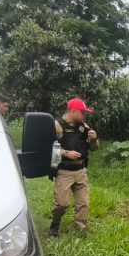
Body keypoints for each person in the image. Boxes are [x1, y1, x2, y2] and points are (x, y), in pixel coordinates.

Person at [49, 97, 99, 236]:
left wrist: (94, 139)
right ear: (73, 111)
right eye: (83, 112)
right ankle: (54, 225)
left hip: (81, 170)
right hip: (64, 171)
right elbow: (48, 148)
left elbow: (94, 148)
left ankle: (81, 229)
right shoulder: (56, 126)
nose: (85, 115)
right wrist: (66, 153)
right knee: (62, 204)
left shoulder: (84, 127)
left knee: (83, 203)